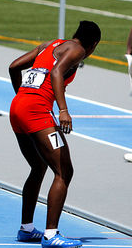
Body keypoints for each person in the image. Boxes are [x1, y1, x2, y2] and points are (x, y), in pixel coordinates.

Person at [9, 21, 101, 248]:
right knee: (64, 171)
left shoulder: (51, 44)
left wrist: (24, 97)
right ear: (94, 45)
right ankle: (51, 235)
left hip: (18, 107)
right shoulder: (78, 50)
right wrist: (63, 110)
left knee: (39, 167)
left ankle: (27, 229)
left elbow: (13, 67)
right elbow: (57, 72)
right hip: (36, 112)